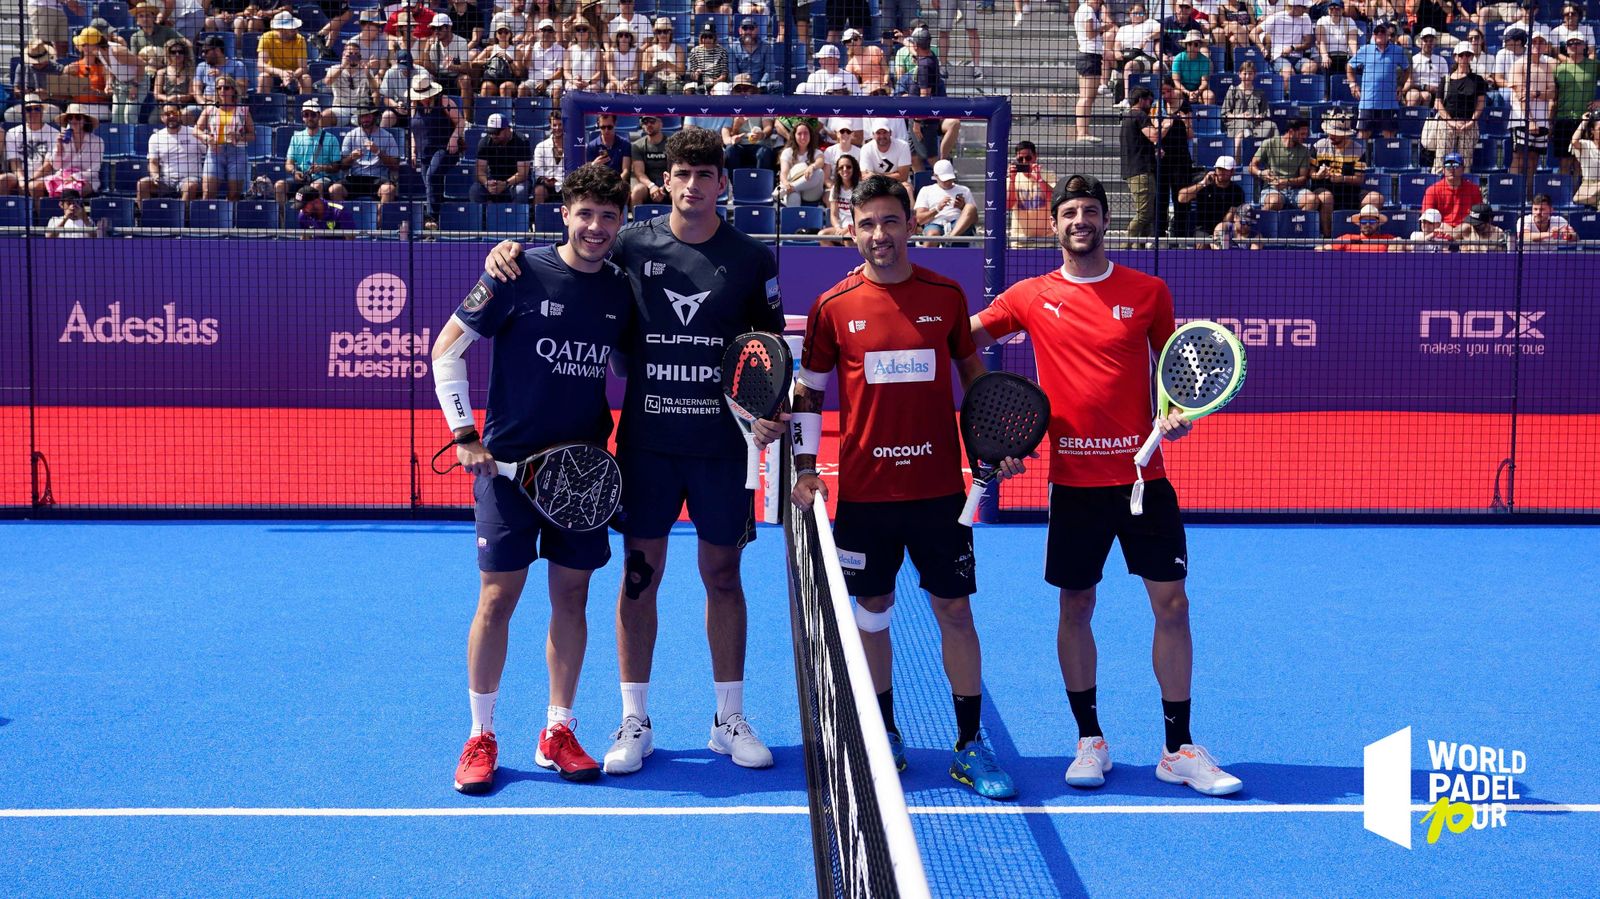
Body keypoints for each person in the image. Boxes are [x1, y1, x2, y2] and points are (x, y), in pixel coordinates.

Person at [481, 127, 785, 777]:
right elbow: (572, 254)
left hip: (721, 450)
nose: (694, 185)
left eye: (706, 174)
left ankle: (728, 718)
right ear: (665, 180)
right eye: (683, 174)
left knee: (723, 576)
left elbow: (768, 351)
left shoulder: (753, 259)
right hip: (646, 448)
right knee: (639, 578)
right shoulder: (629, 244)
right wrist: (509, 251)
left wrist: (768, 409)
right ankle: (634, 720)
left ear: (723, 183)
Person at [968, 173, 1243, 798]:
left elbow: (1179, 370)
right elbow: (963, 337)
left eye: (1090, 211)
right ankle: (1089, 739)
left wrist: (1176, 418)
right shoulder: (1030, 295)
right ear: (1054, 224)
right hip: (1074, 484)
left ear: (1105, 220)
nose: (1079, 221)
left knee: (1173, 606)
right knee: (1076, 606)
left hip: (1144, 479)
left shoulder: (1147, 291)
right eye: (1069, 212)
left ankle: (1178, 748)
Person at [752, 174, 1019, 799]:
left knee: (955, 610)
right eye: (868, 223)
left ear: (912, 224)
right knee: (871, 612)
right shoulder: (832, 305)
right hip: (866, 497)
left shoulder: (946, 295)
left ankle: (970, 743)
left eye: (891, 221)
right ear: (852, 230)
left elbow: (974, 378)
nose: (880, 234)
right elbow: (809, 394)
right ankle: (885, 732)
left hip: (938, 494)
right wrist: (804, 468)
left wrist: (993, 444)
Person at [439, 164, 635, 794]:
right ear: (564, 214)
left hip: (582, 478)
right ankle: (480, 735)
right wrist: (465, 434)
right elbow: (446, 350)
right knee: (497, 600)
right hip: (507, 474)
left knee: (572, 599)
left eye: (608, 217)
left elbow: (628, 363)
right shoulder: (515, 272)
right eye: (586, 214)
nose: (596, 227)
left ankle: (558, 730)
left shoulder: (620, 289)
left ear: (621, 223)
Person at [1347, 20, 1411, 139]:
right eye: (1377, 32)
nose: (1379, 34)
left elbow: (1407, 69)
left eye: (1382, 32)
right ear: (1374, 35)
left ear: (1388, 35)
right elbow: (1350, 66)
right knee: (1363, 135)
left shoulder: (1397, 51)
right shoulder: (1365, 50)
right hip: (1368, 102)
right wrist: (1352, 85)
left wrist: (1401, 85)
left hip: (1389, 103)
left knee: (1389, 137)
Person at [1506, 34, 1558, 178]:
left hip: (1542, 119)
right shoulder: (1519, 64)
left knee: (1534, 160)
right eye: (1534, 41)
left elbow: (1552, 93)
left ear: (1546, 46)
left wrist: (1535, 93)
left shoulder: (1547, 66)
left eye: (1541, 42)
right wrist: (1530, 120)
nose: (1537, 44)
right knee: (1519, 157)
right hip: (1522, 119)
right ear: (1528, 45)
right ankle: (1514, 191)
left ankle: (1529, 191)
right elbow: (1521, 96)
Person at [1431, 42, 1488, 171]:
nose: (1464, 58)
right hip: (1447, 124)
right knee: (1441, 161)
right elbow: (1438, 103)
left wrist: (1472, 121)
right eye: (1461, 55)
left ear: (1471, 57)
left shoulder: (1478, 80)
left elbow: (1480, 103)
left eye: (1468, 55)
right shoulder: (1446, 79)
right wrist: (1450, 121)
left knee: (1465, 163)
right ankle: (1437, 182)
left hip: (1469, 124)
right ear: (1455, 57)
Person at [194, 76, 253, 200]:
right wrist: (206, 137)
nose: (222, 90)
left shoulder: (243, 110)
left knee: (234, 194)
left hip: (237, 152)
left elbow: (252, 135)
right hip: (215, 151)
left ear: (233, 90)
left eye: (226, 88)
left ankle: (229, 213)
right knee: (208, 193)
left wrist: (239, 136)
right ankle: (209, 212)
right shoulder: (210, 109)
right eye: (218, 88)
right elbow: (196, 130)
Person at [1120, 87, 1169, 239]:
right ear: (1141, 100)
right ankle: (1126, 244)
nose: (1150, 104)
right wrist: (1166, 125)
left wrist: (1153, 151)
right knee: (1144, 213)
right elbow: (1154, 135)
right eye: (1149, 101)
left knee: (1148, 214)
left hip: (1134, 170)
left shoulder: (1127, 117)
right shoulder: (1139, 114)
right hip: (1141, 172)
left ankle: (1139, 246)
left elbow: (1138, 143)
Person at [1308, 110, 1366, 236]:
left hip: (1350, 191)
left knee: (1376, 198)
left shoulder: (1358, 150)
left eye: (1336, 134)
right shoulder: (1319, 146)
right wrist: (1318, 175)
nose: (1331, 136)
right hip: (1323, 188)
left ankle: (1362, 236)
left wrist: (1343, 179)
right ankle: (1328, 237)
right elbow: (1310, 173)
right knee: (1326, 197)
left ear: (1345, 135)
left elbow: (1360, 179)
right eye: (1330, 133)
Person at [139, 102, 206, 202]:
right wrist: (155, 176)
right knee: (142, 184)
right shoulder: (155, 137)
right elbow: (153, 162)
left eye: (174, 113)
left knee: (189, 186)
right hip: (166, 179)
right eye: (167, 114)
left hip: (190, 179)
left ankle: (183, 212)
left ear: (180, 114)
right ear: (162, 118)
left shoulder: (194, 133)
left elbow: (208, 154)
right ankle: (143, 212)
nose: (171, 116)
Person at [1552, 38, 1599, 180]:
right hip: (1563, 119)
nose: (1574, 46)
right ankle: (1565, 193)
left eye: (1577, 43)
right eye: (1570, 44)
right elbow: (1554, 96)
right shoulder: (1559, 69)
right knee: (1564, 162)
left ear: (1584, 46)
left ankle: (1579, 192)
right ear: (1566, 48)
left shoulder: (1595, 65)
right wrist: (1550, 120)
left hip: (1585, 119)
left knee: (1581, 163)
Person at [1249, 116, 1315, 213]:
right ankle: (1263, 221)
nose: (1305, 137)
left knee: (1312, 200)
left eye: (1306, 134)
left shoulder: (1304, 151)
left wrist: (1286, 182)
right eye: (1302, 134)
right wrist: (1261, 173)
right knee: (1274, 202)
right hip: (1272, 189)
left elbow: (1303, 178)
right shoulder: (1269, 144)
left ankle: (1296, 221)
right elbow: (1251, 166)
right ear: (1291, 132)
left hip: (1295, 190)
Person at [339, 104, 401, 203]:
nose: (365, 119)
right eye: (362, 116)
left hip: (378, 178)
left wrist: (378, 152)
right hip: (355, 178)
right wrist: (351, 157)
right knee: (335, 189)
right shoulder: (350, 135)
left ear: (374, 116)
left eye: (368, 116)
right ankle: (342, 213)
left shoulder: (387, 136)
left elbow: (395, 166)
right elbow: (342, 166)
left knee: (389, 190)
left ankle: (380, 214)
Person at [0, 96, 59, 198]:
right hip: (19, 174)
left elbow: (49, 163)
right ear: (23, 112)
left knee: (33, 186)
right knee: (3, 179)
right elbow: (14, 161)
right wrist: (22, 179)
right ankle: (4, 207)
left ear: (42, 111)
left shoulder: (54, 133)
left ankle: (37, 209)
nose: (33, 112)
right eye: (28, 109)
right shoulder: (12, 132)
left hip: (45, 175)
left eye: (37, 108)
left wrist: (31, 179)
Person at [1177, 154, 1246, 239]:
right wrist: (1203, 184)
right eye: (1219, 169)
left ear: (1232, 172)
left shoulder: (1237, 192)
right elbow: (1181, 198)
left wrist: (1217, 234)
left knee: (1226, 238)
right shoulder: (1203, 183)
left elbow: (1228, 218)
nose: (1221, 172)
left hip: (1224, 227)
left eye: (1225, 170)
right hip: (1203, 228)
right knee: (1202, 242)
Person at [1074, 0, 1113, 143]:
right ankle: (1082, 132)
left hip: (1092, 55)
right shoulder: (1087, 10)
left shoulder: (1085, 10)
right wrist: (1105, 27)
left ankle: (1084, 131)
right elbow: (1090, 33)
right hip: (1088, 55)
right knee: (1086, 97)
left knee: (1089, 97)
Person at [1220, 60, 1277, 158]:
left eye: (1250, 74)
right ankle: (1237, 162)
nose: (1247, 76)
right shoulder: (1233, 91)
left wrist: (1258, 116)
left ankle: (1275, 159)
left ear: (1254, 75)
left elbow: (1265, 113)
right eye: (1245, 73)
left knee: (1272, 126)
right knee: (1244, 125)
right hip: (1237, 124)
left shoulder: (1260, 93)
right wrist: (1240, 116)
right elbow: (1225, 114)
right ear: (1239, 74)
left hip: (1256, 125)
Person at [472, 113, 532, 204]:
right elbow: (479, 170)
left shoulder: (521, 141)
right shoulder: (484, 142)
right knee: (475, 190)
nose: (493, 136)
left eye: (496, 132)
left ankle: (516, 213)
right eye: (490, 132)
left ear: (507, 129)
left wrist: (505, 184)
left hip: (515, 181)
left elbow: (523, 174)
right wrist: (486, 183)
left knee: (520, 191)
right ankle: (483, 213)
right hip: (494, 180)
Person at [50, 103, 106, 198]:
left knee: (71, 193)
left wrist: (75, 177)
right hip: (63, 177)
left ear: (85, 120)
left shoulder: (97, 141)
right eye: (70, 117)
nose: (73, 120)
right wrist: (59, 147)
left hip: (88, 180)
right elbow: (56, 166)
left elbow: (94, 170)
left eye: (78, 117)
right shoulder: (61, 139)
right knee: (37, 187)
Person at [1006, 140, 1056, 244]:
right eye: (1020, 159)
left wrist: (1039, 179)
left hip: (1046, 241)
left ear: (1035, 156)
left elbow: (1054, 199)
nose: (1024, 161)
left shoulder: (1048, 175)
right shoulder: (1011, 179)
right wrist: (1012, 180)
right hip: (1020, 241)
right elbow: (1008, 205)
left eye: (1028, 158)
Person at [914, 158, 976, 239]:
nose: (948, 182)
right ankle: (949, 240)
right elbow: (919, 219)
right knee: (932, 234)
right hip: (935, 223)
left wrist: (962, 207)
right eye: (944, 180)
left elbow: (974, 219)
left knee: (970, 207)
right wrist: (937, 209)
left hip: (958, 222)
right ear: (935, 176)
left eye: (950, 179)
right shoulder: (926, 190)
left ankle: (950, 239)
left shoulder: (964, 190)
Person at [257, 11, 314, 94]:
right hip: (273, 74)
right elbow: (260, 65)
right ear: (282, 30)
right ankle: (263, 102)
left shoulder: (300, 39)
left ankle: (305, 102)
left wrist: (292, 75)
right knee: (263, 77)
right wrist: (280, 72)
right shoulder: (266, 38)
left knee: (306, 78)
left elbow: (303, 67)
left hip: (294, 75)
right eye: (292, 30)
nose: (296, 31)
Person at [1421, 152, 1483, 226]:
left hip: (1466, 229)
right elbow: (1427, 220)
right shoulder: (1432, 190)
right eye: (1448, 166)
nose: (1452, 169)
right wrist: (1443, 228)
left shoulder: (1474, 190)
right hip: (1440, 229)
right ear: (1443, 169)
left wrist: (1463, 228)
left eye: (1456, 166)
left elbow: (1479, 217)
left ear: (1463, 169)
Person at [777, 120, 825, 206]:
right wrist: (785, 183)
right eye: (799, 134)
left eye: (806, 133)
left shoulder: (817, 152)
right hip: (791, 188)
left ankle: (789, 189)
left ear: (810, 135)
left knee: (819, 172)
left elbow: (820, 161)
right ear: (794, 136)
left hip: (810, 193)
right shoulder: (787, 152)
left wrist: (812, 167)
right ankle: (791, 190)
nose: (803, 137)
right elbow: (784, 172)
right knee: (794, 196)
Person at [819, 152, 862, 245]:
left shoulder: (861, 188)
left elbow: (862, 216)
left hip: (857, 228)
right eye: (841, 167)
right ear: (837, 171)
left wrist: (846, 229)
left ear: (854, 169)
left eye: (848, 167)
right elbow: (833, 214)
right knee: (822, 235)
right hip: (841, 228)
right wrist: (838, 228)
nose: (845, 169)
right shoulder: (835, 188)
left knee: (848, 239)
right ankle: (833, 255)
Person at [1316, 204, 1399, 250]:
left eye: (1372, 221)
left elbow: (1402, 246)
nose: (1367, 224)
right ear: (1359, 223)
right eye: (1364, 222)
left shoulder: (1387, 238)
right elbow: (1321, 249)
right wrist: (1323, 249)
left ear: (1378, 223)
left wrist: (1398, 242)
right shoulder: (1347, 238)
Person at [860, 118, 913, 183]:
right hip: (875, 185)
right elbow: (865, 177)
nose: (882, 136)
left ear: (890, 133)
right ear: (873, 135)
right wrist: (894, 174)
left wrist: (875, 175)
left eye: (885, 132)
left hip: (898, 184)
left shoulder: (903, 146)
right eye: (878, 133)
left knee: (907, 187)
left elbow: (903, 177)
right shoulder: (866, 149)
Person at [1170, 32, 1216, 107]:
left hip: (1199, 91)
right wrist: (1187, 92)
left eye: (1196, 44)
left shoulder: (1205, 60)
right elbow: (1176, 81)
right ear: (1186, 45)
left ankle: (1206, 114)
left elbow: (1204, 82)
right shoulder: (1178, 58)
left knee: (1210, 96)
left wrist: (1197, 92)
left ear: (1200, 46)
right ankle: (1178, 114)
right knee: (1175, 94)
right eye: (1190, 44)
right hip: (1182, 90)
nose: (1192, 46)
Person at [532, 111, 565, 204]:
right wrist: (546, 181)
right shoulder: (540, 146)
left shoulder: (572, 146)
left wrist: (560, 181)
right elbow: (538, 171)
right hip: (547, 185)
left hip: (566, 184)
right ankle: (537, 214)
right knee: (539, 191)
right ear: (550, 126)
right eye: (554, 125)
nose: (557, 128)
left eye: (560, 125)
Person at [584, 112, 631, 177]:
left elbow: (626, 171)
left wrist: (616, 182)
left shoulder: (625, 144)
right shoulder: (592, 146)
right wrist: (594, 165)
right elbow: (588, 172)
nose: (606, 130)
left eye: (609, 127)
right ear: (598, 125)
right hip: (599, 181)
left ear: (615, 124)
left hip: (619, 180)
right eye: (603, 127)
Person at [1572, 112, 1600, 208]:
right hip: (1588, 186)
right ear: (1592, 131)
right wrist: (1583, 122)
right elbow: (1574, 141)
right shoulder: (1585, 145)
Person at [607, 26, 642, 92]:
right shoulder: (611, 52)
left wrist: (629, 81)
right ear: (617, 38)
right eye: (620, 35)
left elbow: (636, 75)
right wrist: (618, 83)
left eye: (626, 35)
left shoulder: (638, 51)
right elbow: (610, 75)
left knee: (635, 87)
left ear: (630, 38)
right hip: (615, 82)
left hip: (630, 82)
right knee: (609, 86)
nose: (623, 38)